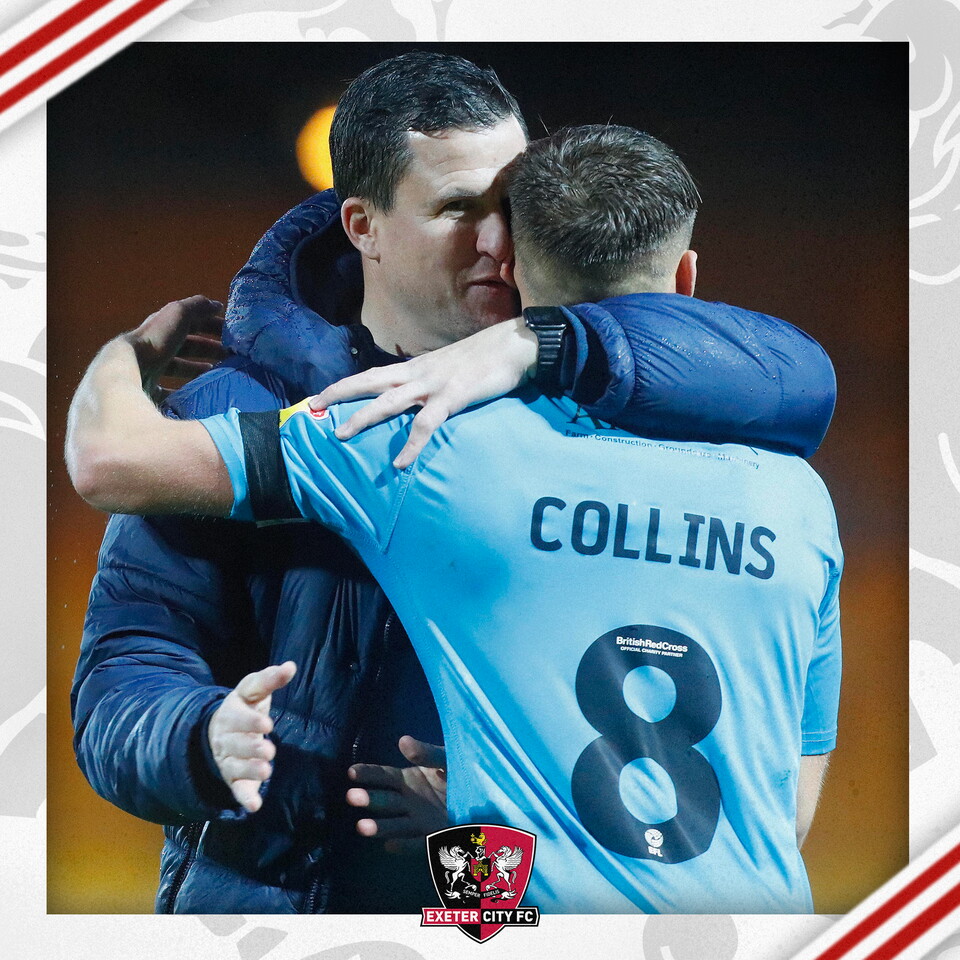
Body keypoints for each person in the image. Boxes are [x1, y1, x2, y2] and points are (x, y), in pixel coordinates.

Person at [69, 52, 836, 915]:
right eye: (457, 210)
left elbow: (795, 373)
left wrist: (472, 835)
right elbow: (120, 677)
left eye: (513, 208)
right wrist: (199, 738)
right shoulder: (244, 409)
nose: (499, 243)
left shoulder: (595, 408)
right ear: (362, 225)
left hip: (493, 917)